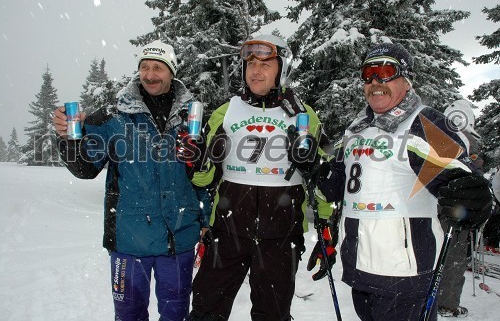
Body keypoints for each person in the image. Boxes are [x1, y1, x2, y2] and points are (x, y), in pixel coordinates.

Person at [316, 42, 493, 321]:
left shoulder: (422, 121)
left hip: (405, 276)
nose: (375, 81)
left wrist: (471, 195)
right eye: (368, 73)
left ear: (406, 79)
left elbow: (462, 175)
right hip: (361, 271)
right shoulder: (357, 127)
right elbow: (337, 186)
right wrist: (316, 169)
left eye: (385, 71)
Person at [52, 40, 211, 321]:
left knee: (176, 315)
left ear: (172, 72)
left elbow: (205, 178)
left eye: (158, 68)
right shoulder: (113, 117)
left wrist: (207, 221)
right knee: (129, 316)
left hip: (179, 239)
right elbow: (85, 168)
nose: (150, 74)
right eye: (145, 67)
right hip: (129, 241)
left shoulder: (193, 117)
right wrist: (68, 139)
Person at [185, 34, 335, 320]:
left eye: (266, 64)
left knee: (272, 315)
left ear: (282, 69)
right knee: (205, 311)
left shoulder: (304, 116)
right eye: (251, 63)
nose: (256, 70)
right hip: (228, 232)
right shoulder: (225, 112)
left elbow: (322, 179)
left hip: (281, 235)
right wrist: (200, 161)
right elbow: (202, 181)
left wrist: (327, 227)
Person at [437, 99, 485, 318]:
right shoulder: (468, 143)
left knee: (438, 254)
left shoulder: (437, 138)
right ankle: (447, 304)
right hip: (458, 210)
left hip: (440, 206)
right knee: (454, 258)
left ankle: (435, 297)